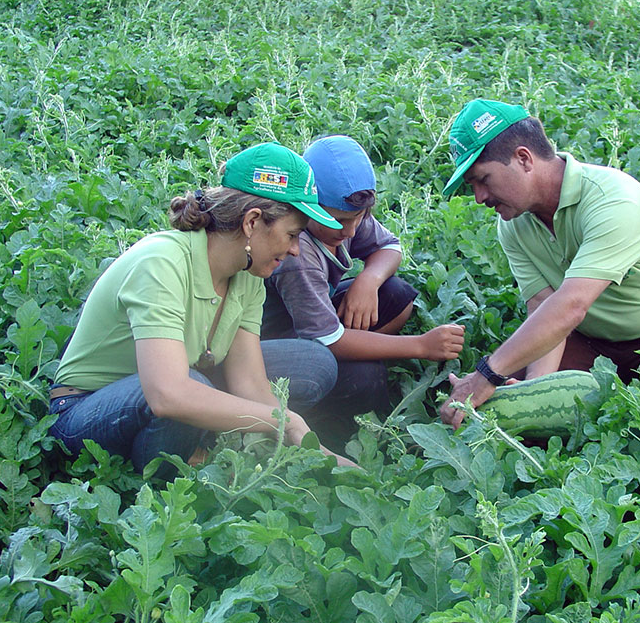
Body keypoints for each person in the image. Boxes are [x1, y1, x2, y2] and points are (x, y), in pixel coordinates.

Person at [49, 142, 355, 475]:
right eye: (292, 234)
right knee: (188, 388)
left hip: (172, 382)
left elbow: (249, 383)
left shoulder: (248, 274)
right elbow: (167, 395)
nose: (296, 250)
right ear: (252, 222)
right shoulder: (162, 263)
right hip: (86, 410)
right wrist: (282, 421)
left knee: (311, 363)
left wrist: (318, 453)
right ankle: (161, 482)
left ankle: (200, 447)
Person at [438, 99, 640, 429]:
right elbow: (543, 306)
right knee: (500, 400)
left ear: (523, 158)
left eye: (483, 179)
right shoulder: (513, 224)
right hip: (587, 343)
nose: (479, 197)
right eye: (472, 186)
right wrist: (534, 391)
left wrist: (487, 373)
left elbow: (571, 305)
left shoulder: (612, 199)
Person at [262, 135, 465, 448]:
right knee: (363, 379)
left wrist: (368, 279)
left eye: (358, 219)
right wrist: (421, 346)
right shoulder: (298, 256)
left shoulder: (346, 216)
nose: (350, 231)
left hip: (318, 320)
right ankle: (326, 422)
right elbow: (327, 340)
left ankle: (364, 356)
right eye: (340, 221)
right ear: (308, 206)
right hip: (280, 342)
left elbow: (391, 247)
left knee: (397, 295)